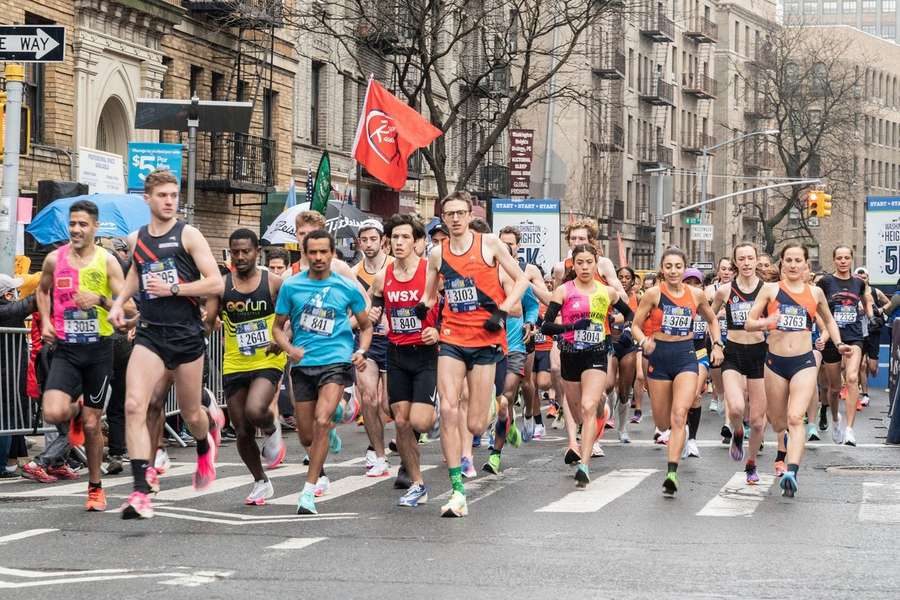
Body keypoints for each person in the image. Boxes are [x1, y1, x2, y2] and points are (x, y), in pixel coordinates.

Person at [109, 169, 225, 520]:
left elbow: (216, 283)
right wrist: (118, 302)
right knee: (134, 405)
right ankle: (141, 492)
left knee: (191, 415)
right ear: (148, 199)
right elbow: (136, 274)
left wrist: (176, 289)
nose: (170, 201)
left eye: (174, 195)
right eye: (163, 195)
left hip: (186, 334)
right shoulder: (137, 238)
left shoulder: (188, 235)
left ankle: (206, 442)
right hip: (150, 333)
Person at [418, 191, 529, 517]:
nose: (454, 219)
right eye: (448, 213)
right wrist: (419, 307)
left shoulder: (490, 244)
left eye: (459, 213)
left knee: (477, 424)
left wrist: (503, 310)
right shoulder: (437, 255)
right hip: (452, 338)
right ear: (443, 217)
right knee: (449, 411)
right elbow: (429, 296)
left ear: (469, 215)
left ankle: (497, 412)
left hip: (486, 341)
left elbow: (521, 280)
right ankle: (456, 491)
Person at [35, 200, 134, 511]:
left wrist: (101, 299)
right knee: (52, 412)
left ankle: (94, 487)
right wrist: (48, 320)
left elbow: (129, 306)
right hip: (66, 348)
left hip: (99, 350)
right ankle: (76, 411)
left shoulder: (107, 262)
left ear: (94, 227)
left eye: (83, 224)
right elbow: (41, 290)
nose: (76, 229)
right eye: (73, 223)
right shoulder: (54, 259)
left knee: (93, 425)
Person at [272, 229, 372, 515]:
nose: (318, 257)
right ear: (305, 253)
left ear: (332, 254)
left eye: (323, 252)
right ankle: (323, 454)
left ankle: (308, 491)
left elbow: (365, 326)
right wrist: (289, 349)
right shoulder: (292, 287)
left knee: (322, 420)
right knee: (305, 435)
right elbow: (277, 328)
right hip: (303, 364)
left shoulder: (346, 287)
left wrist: (361, 351)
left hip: (336, 361)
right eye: (312, 252)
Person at [745, 244, 849, 497]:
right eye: (788, 260)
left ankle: (791, 471)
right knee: (778, 422)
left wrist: (838, 343)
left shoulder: (815, 293)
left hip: (803, 362)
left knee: (795, 418)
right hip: (775, 363)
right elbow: (748, 322)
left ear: (806, 265)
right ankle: (786, 447)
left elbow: (830, 321)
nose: (793, 265)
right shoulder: (770, 290)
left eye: (798, 260)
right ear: (782, 263)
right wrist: (765, 322)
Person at [632, 248, 724, 497]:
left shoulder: (696, 295)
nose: (673, 271)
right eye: (669, 266)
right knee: (663, 423)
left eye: (678, 266)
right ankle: (673, 438)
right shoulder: (653, 294)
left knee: (680, 414)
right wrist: (644, 342)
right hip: (660, 357)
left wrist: (717, 344)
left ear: (684, 268)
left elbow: (712, 320)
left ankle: (671, 472)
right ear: (662, 268)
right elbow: (635, 326)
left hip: (686, 356)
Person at [205, 229, 287, 506]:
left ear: (257, 253)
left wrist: (283, 340)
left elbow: (293, 317)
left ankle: (271, 426)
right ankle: (261, 481)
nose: (240, 257)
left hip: (268, 358)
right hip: (235, 361)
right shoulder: (222, 286)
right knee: (241, 429)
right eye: (235, 252)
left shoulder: (273, 282)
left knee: (255, 410)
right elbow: (209, 323)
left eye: (246, 251)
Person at [369, 214, 440, 507]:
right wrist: (371, 317)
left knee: (419, 421)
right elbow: (372, 308)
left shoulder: (430, 272)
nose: (398, 243)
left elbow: (451, 309)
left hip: (426, 355)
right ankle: (418, 483)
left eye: (405, 238)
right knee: (400, 421)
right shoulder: (382, 277)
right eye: (394, 238)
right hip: (396, 353)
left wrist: (438, 330)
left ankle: (435, 414)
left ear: (417, 242)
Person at [541, 244, 621, 487]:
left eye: (589, 262)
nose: (585, 267)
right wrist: (572, 328)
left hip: (596, 353)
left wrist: (613, 320)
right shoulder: (563, 291)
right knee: (577, 412)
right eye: (580, 263)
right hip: (570, 354)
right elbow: (546, 327)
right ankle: (600, 414)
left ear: (596, 263)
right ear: (572, 265)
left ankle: (584, 465)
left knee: (588, 408)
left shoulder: (607, 292)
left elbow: (626, 313)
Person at [711, 243, 769, 482]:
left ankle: (751, 463)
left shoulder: (768, 290)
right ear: (736, 262)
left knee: (757, 422)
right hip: (733, 352)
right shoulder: (725, 291)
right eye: (741, 259)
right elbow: (710, 317)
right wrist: (717, 342)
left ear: (757, 261)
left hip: (759, 353)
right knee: (735, 407)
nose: (746, 263)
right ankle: (736, 430)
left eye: (750, 258)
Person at [817, 246, 873, 446]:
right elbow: (818, 309)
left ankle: (850, 430)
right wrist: (823, 331)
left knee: (851, 378)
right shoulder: (825, 282)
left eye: (846, 258)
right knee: (834, 388)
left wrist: (871, 314)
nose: (843, 261)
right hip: (833, 338)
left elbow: (867, 300)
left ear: (851, 259)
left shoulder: (859, 282)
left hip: (854, 336)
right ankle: (835, 420)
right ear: (833, 260)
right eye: (839, 258)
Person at [352, 219, 392, 477]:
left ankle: (406, 438)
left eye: (373, 239)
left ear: (383, 240)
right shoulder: (353, 272)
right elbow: (352, 309)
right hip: (367, 342)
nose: (368, 244)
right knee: (369, 397)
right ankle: (378, 455)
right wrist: (363, 321)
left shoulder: (394, 266)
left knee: (389, 406)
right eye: (364, 240)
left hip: (396, 341)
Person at [854, 267, 889, 408]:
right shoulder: (852, 292)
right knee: (861, 365)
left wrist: (881, 309)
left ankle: (872, 365)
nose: (863, 279)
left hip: (873, 331)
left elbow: (889, 302)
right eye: (860, 277)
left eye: (865, 277)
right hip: (859, 332)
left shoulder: (875, 292)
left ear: (868, 278)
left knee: (872, 368)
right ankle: (864, 394)